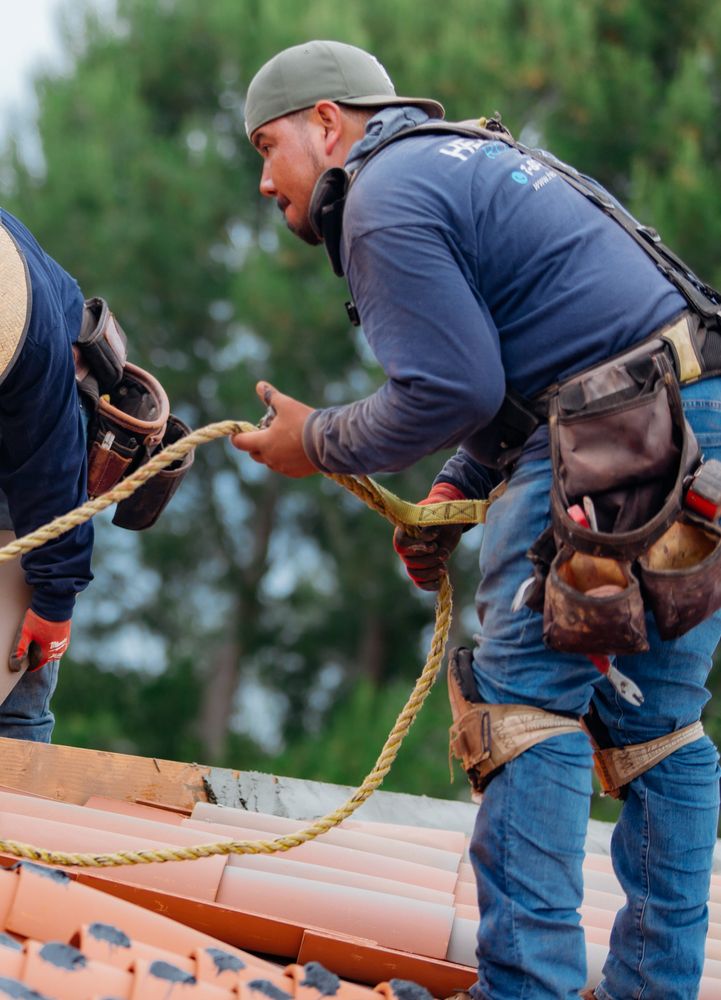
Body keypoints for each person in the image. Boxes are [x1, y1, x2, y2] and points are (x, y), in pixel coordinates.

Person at [232, 39, 721, 1000]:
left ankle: (527, 988)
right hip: (698, 416)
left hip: (612, 426)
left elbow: (451, 384)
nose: (262, 180)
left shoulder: (378, 198)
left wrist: (317, 441)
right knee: (656, 723)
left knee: (520, 704)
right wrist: (456, 494)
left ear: (326, 123)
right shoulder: (468, 157)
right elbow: (524, 361)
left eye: (267, 146)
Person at [0, 208, 94, 741]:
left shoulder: (25, 336)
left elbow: (52, 469)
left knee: (12, 679)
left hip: (25, 450)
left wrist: (53, 600)